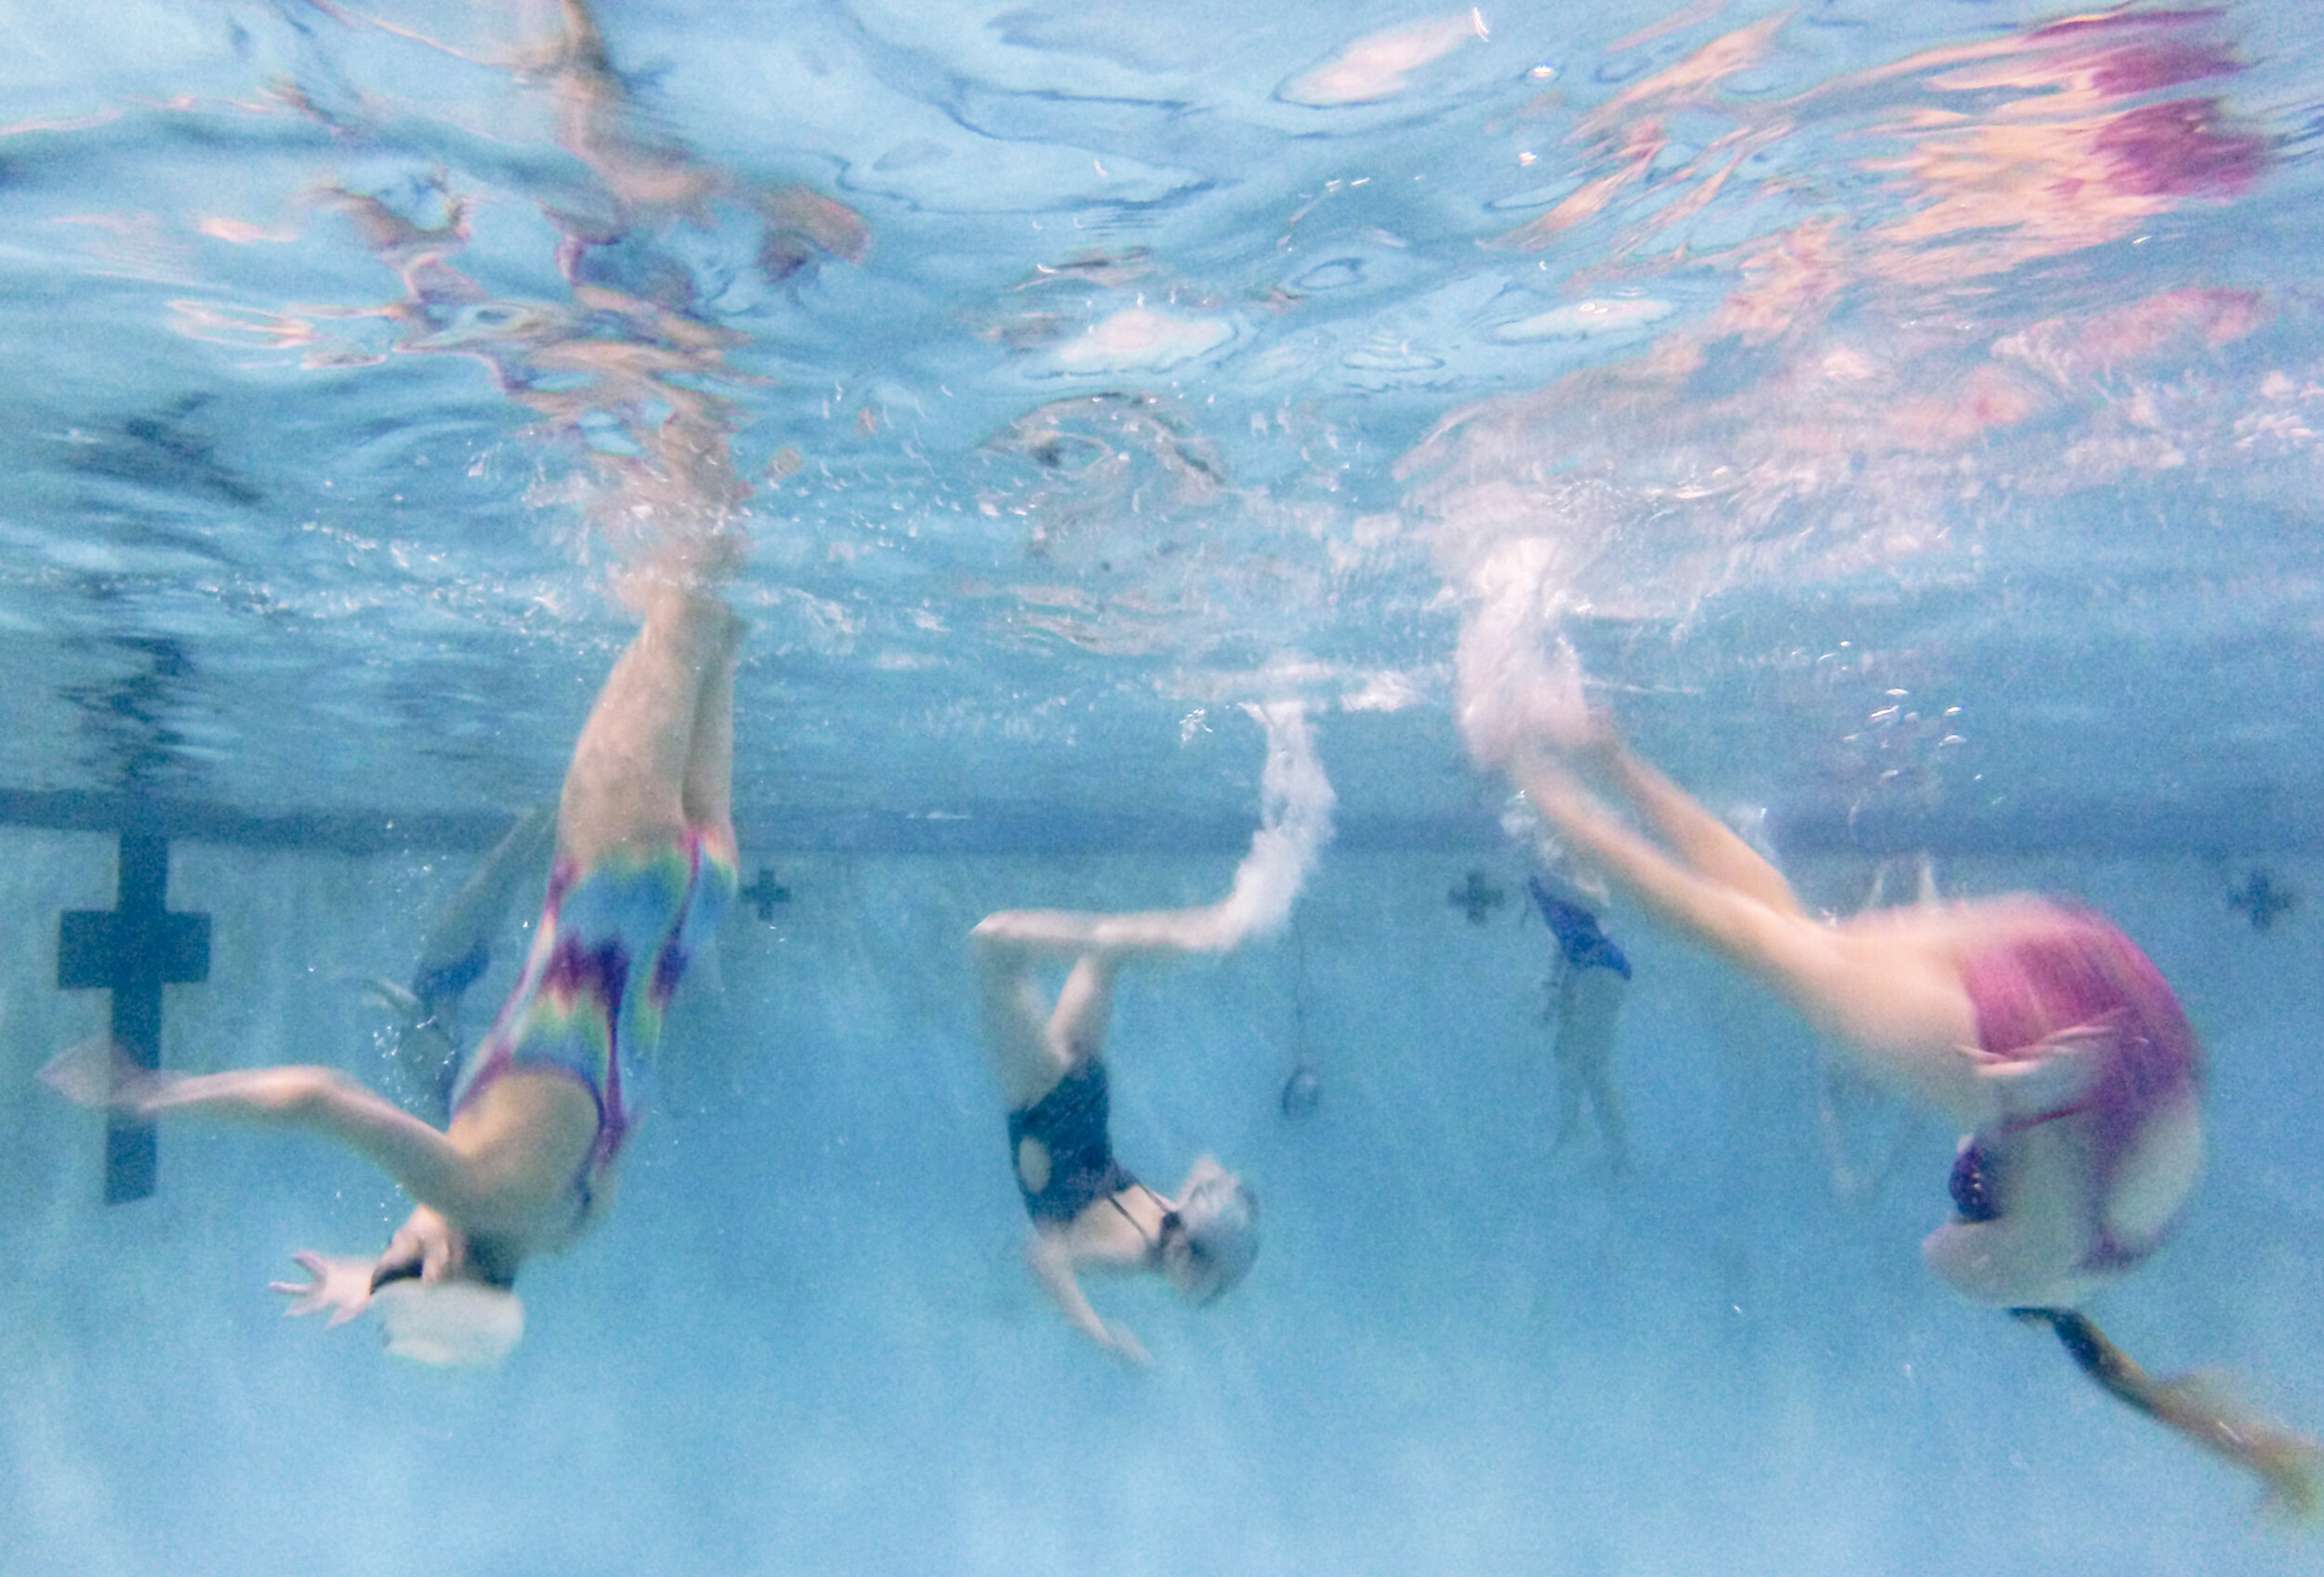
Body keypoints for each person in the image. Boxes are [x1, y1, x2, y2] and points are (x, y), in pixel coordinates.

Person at [1463, 647, 2318, 1514]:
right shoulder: (2022, 1270)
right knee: (1761, 946)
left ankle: (1605, 754)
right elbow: (1968, 1245)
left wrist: (2261, 1454)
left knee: (1799, 932)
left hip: (2117, 996)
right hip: (2062, 1075)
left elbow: (2130, 1373)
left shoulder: (2087, 1272)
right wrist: (2036, 1098)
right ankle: (1544, 783)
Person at [46, 557, 741, 1365]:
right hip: (616, 873)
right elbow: (315, 1096)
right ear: (445, 1267)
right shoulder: (469, 1192)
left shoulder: (566, 1225)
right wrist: (152, 1095)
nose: (400, 1244)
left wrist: (380, 1277)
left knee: (716, 631)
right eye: (412, 1264)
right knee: (678, 598)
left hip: (696, 891)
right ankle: (681, 448)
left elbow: (443, 1234)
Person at [968, 702, 1332, 1364]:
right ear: (1194, 1256)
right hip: (1043, 1102)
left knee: (1105, 952)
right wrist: (1099, 1335)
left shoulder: (1171, 1216)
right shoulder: (1134, 1250)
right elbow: (1043, 1257)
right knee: (993, 944)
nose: (1194, 1291)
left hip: (1082, 1089)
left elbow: (1205, 1167)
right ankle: (1198, 931)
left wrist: (1220, 1191)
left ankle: (1209, 929)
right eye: (1206, 1282)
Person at [1530, 874, 1632, 1174]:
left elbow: (1600, 905)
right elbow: (1564, 941)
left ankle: (1620, 1158)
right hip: (1586, 970)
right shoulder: (1539, 882)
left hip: (1603, 971)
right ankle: (1572, 1127)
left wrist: (1559, 883)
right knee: (1567, 1052)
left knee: (1592, 1067)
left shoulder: (1553, 872)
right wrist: (1553, 993)